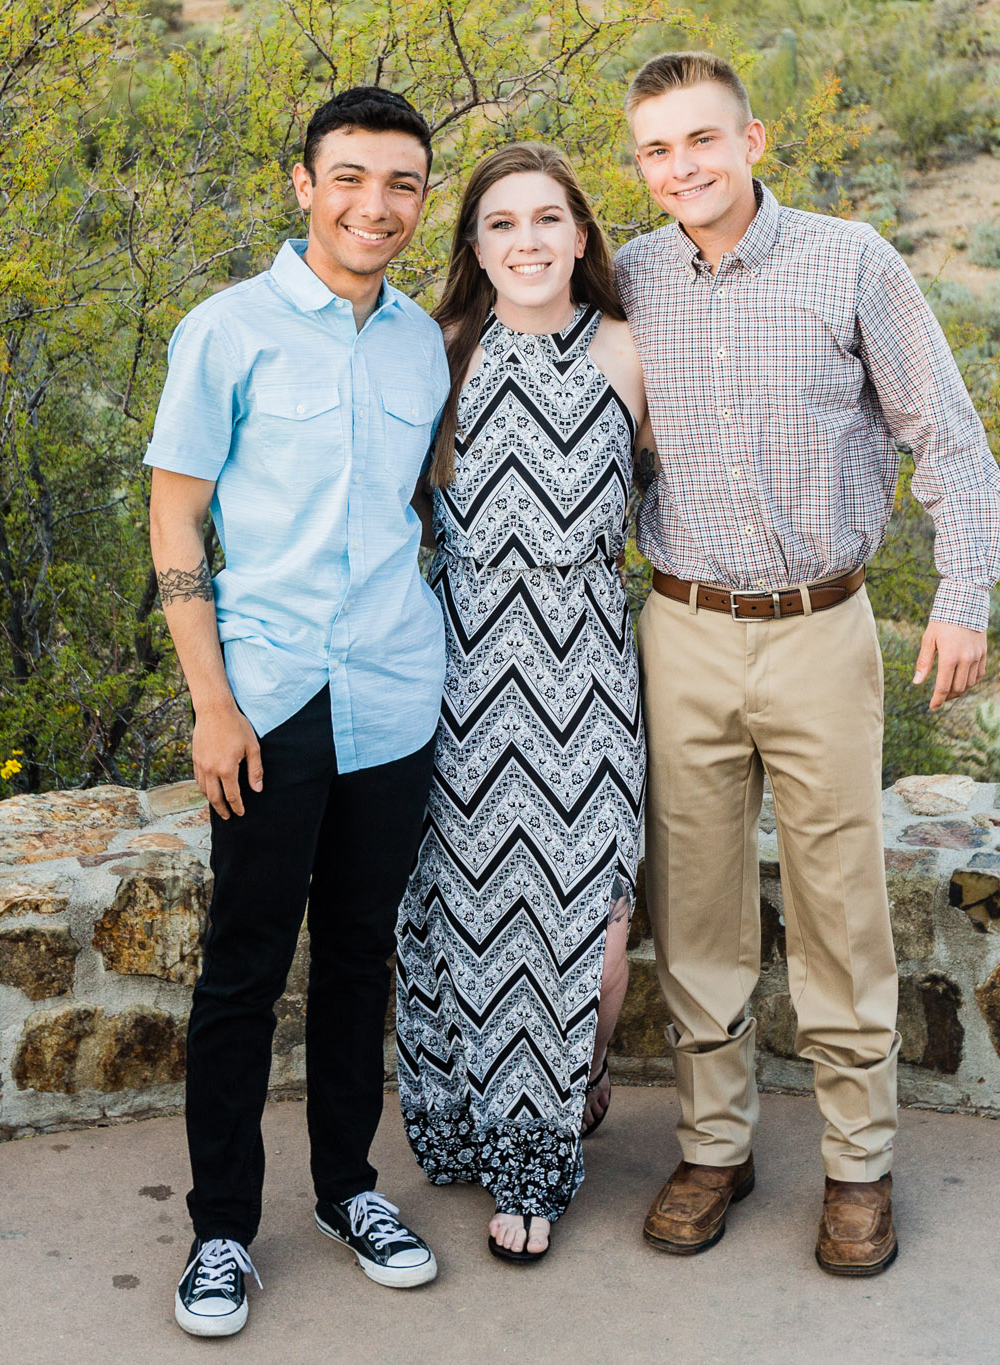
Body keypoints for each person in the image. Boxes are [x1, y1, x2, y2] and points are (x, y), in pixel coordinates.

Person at [613, 53, 1000, 1276]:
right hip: (678, 625)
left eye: (699, 142)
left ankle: (856, 1168)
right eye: (654, 152)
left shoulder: (849, 262)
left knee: (839, 905)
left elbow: (945, 432)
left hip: (820, 626)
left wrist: (963, 595)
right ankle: (714, 1146)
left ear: (753, 139)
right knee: (696, 907)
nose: (680, 168)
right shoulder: (626, 280)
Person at [143, 86, 450, 1338]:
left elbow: (416, 515)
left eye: (401, 186)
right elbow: (175, 519)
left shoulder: (422, 342)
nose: (374, 207)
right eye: (350, 178)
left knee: (363, 958)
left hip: (394, 687)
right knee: (244, 969)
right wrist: (212, 706)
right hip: (269, 696)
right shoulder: (225, 332)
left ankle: (347, 1191)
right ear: (302, 183)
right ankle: (221, 1232)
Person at [393, 142, 648, 1264]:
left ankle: (556, 1111)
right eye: (501, 224)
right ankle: (509, 1157)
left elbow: (682, 504)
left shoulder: (631, 354)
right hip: (459, 677)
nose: (529, 241)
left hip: (591, 680)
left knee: (590, 938)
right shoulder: (437, 353)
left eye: (549, 219)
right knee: (475, 924)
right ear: (475, 246)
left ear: (582, 237)